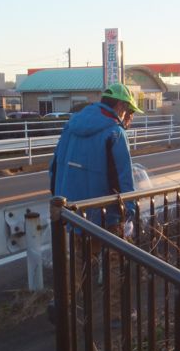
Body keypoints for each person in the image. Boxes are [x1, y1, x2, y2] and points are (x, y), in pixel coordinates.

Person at [49, 82, 143, 326]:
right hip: (106, 212)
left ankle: (64, 307)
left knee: (77, 261)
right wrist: (129, 213)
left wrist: (59, 197)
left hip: (73, 210)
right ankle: (115, 314)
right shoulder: (114, 132)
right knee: (114, 261)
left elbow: (54, 166)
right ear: (120, 106)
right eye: (129, 111)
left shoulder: (71, 126)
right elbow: (124, 178)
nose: (128, 117)